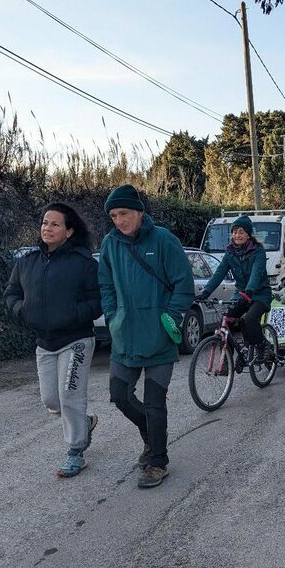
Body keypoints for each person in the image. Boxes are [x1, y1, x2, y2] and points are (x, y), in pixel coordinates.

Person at [98, 184, 194, 489]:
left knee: (155, 403)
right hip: (124, 337)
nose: (119, 220)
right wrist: (113, 316)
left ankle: (157, 461)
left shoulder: (164, 240)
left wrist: (171, 315)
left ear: (139, 211)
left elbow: (184, 284)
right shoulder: (110, 244)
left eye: (123, 213)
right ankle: (150, 434)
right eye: (113, 215)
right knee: (118, 395)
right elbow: (106, 287)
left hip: (158, 338)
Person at [5, 203, 101, 478]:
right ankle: (83, 423)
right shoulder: (27, 263)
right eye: (45, 223)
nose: (47, 228)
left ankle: (75, 452)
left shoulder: (84, 264)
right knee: (51, 401)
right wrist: (22, 310)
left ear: (69, 232)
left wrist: (74, 314)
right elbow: (12, 293)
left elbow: (98, 300)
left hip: (77, 340)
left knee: (70, 397)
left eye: (55, 224)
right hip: (44, 343)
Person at [196, 215, 272, 364]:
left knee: (248, 319)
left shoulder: (258, 252)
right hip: (241, 294)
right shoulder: (230, 253)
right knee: (225, 322)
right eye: (235, 232)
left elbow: (257, 272)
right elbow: (219, 273)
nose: (237, 235)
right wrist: (205, 292)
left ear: (248, 235)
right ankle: (226, 361)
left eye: (241, 232)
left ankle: (262, 346)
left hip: (259, 294)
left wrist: (250, 290)